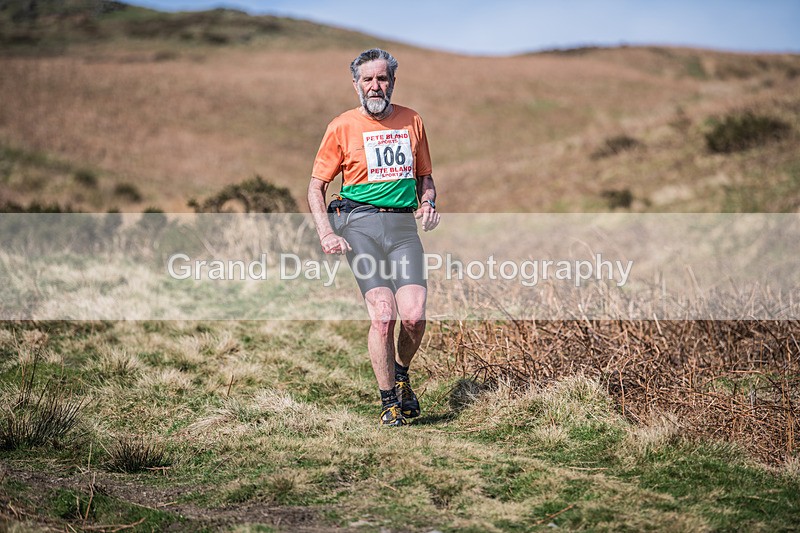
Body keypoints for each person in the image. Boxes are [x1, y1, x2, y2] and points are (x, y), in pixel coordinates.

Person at [307, 48, 440, 427]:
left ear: (392, 82)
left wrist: (428, 201)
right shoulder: (341, 126)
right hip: (359, 225)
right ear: (356, 85)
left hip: (402, 229)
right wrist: (326, 232)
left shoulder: (412, 120)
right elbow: (316, 187)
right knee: (384, 316)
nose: (375, 85)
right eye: (368, 79)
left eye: (382, 78)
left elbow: (425, 178)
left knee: (413, 317)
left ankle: (401, 376)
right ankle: (388, 403)